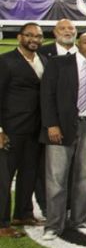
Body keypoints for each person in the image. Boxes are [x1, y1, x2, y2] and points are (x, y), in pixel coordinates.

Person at [40, 31, 86, 240]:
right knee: (57, 178)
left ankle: (80, 220)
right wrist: (51, 124)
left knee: (83, 177)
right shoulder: (59, 63)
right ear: (78, 43)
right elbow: (47, 95)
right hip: (61, 126)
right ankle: (53, 225)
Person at [0, 22, 48, 237]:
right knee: (4, 177)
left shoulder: (44, 60)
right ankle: (2, 224)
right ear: (20, 37)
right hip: (11, 129)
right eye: (29, 35)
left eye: (38, 36)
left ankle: (23, 213)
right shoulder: (6, 61)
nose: (34, 39)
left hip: (35, 129)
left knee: (29, 174)